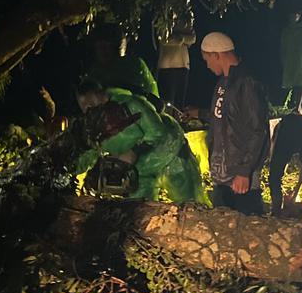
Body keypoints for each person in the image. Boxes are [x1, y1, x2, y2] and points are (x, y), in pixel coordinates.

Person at [73, 80, 206, 205]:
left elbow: (157, 131)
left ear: (99, 94)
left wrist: (134, 151)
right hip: (139, 173)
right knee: (138, 210)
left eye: (89, 103)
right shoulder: (93, 124)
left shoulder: (131, 104)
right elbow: (92, 151)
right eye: (84, 107)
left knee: (189, 203)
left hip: (170, 155)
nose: (88, 109)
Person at [200, 31, 269, 214]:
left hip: (239, 175)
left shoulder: (246, 82)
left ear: (217, 55)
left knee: (247, 226)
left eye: (207, 60)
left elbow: (257, 129)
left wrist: (244, 171)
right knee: (222, 228)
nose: (207, 66)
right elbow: (225, 118)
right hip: (222, 174)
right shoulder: (224, 82)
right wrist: (199, 113)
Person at [268, 110, 302, 219]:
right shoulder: (282, 131)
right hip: (288, 134)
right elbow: (276, 169)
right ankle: (276, 213)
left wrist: (296, 191)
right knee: (275, 175)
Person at [88, 26, 159, 104]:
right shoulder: (95, 72)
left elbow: (149, 97)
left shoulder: (133, 65)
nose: (103, 51)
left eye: (107, 46)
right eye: (99, 47)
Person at [279, 9, 302, 110]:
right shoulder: (286, 31)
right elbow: (283, 47)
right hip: (290, 61)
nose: (294, 16)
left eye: (297, 13)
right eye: (292, 13)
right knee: (292, 82)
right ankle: (291, 104)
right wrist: (284, 60)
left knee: (301, 83)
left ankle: (298, 106)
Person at [155, 27, 196, 109]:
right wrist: (183, 38)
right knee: (167, 103)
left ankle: (177, 120)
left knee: (179, 104)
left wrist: (178, 38)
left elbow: (193, 38)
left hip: (184, 66)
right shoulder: (163, 19)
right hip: (167, 66)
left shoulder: (185, 21)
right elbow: (165, 39)